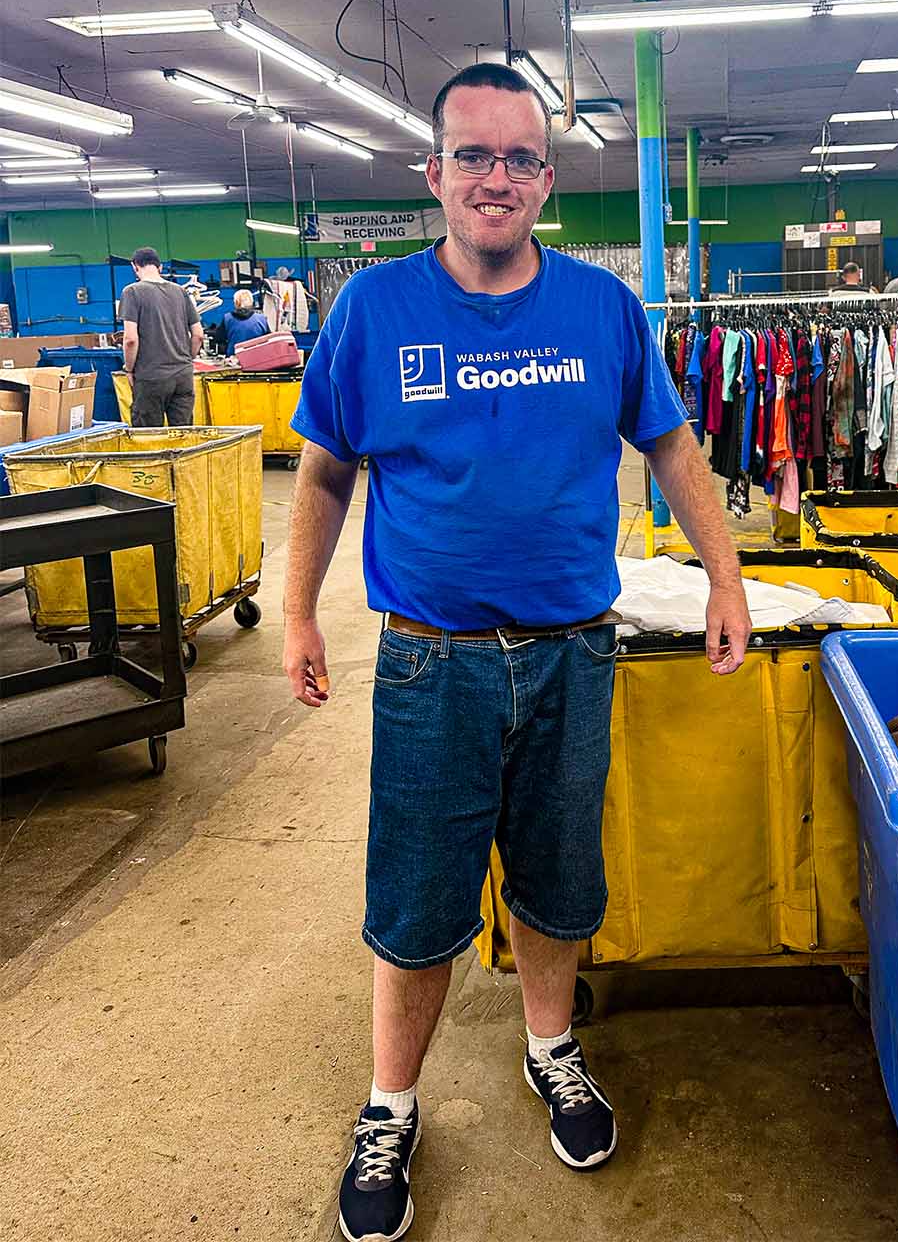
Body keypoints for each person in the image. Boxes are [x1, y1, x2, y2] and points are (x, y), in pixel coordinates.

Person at [283, 61, 753, 1242]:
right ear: (433, 171)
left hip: (569, 656)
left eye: (522, 157)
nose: (497, 177)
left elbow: (677, 447)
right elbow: (327, 467)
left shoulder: (602, 310)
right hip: (430, 664)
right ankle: (390, 1107)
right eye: (474, 155)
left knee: (557, 880)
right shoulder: (373, 312)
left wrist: (726, 579)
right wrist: (294, 610)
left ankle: (553, 1049)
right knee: (416, 900)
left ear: (549, 176)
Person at [119, 247, 201, 426]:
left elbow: (130, 339)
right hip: (183, 377)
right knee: (184, 437)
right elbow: (198, 335)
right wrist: (187, 360)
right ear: (160, 267)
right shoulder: (181, 291)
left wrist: (130, 369)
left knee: (149, 439)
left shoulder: (131, 292)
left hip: (150, 377)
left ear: (135, 267)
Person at [220, 289, 270, 353]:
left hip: (234, 359)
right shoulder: (261, 319)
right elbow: (268, 341)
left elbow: (219, 340)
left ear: (236, 302)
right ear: (251, 302)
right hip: (258, 358)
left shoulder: (227, 318)